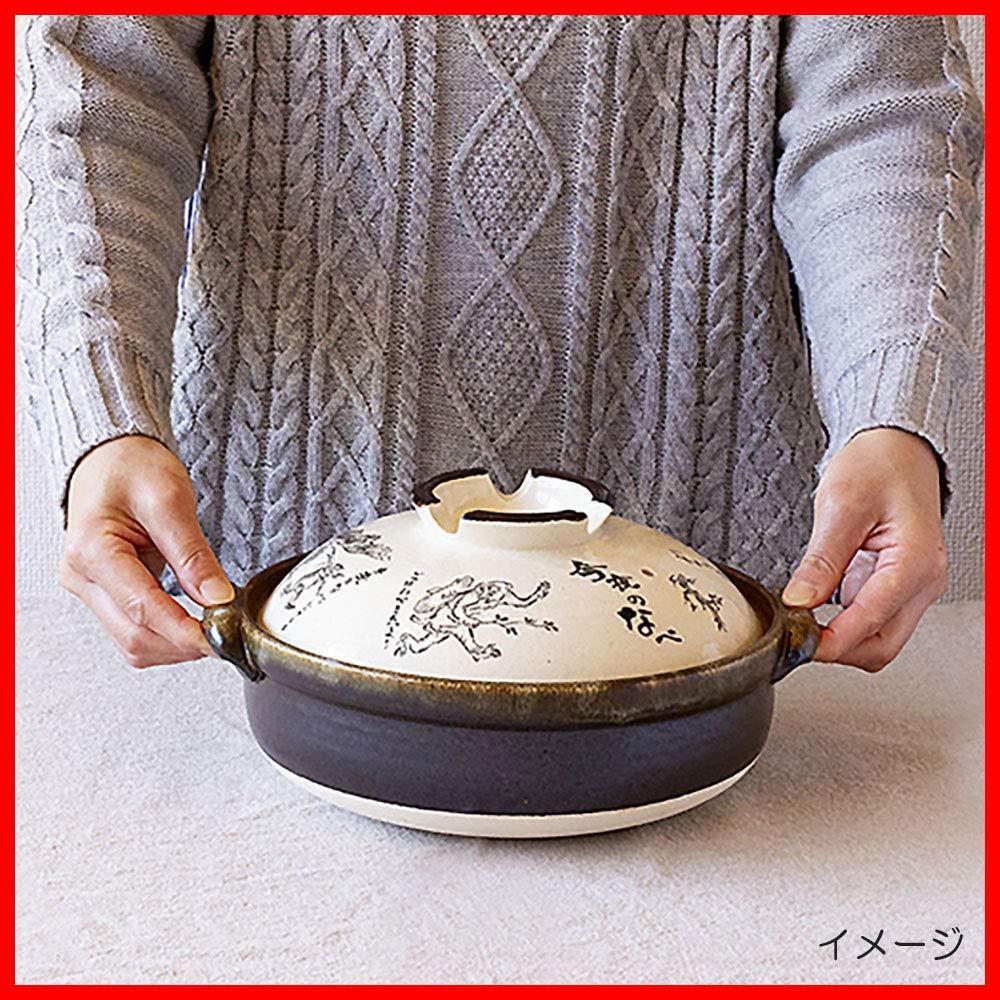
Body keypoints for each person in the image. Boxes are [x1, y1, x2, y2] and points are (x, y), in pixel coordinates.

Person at [16, 15, 983, 673]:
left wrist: (890, 414)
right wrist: (107, 419)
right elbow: (101, 96)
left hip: (703, 609)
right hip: (279, 593)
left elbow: (881, 109)